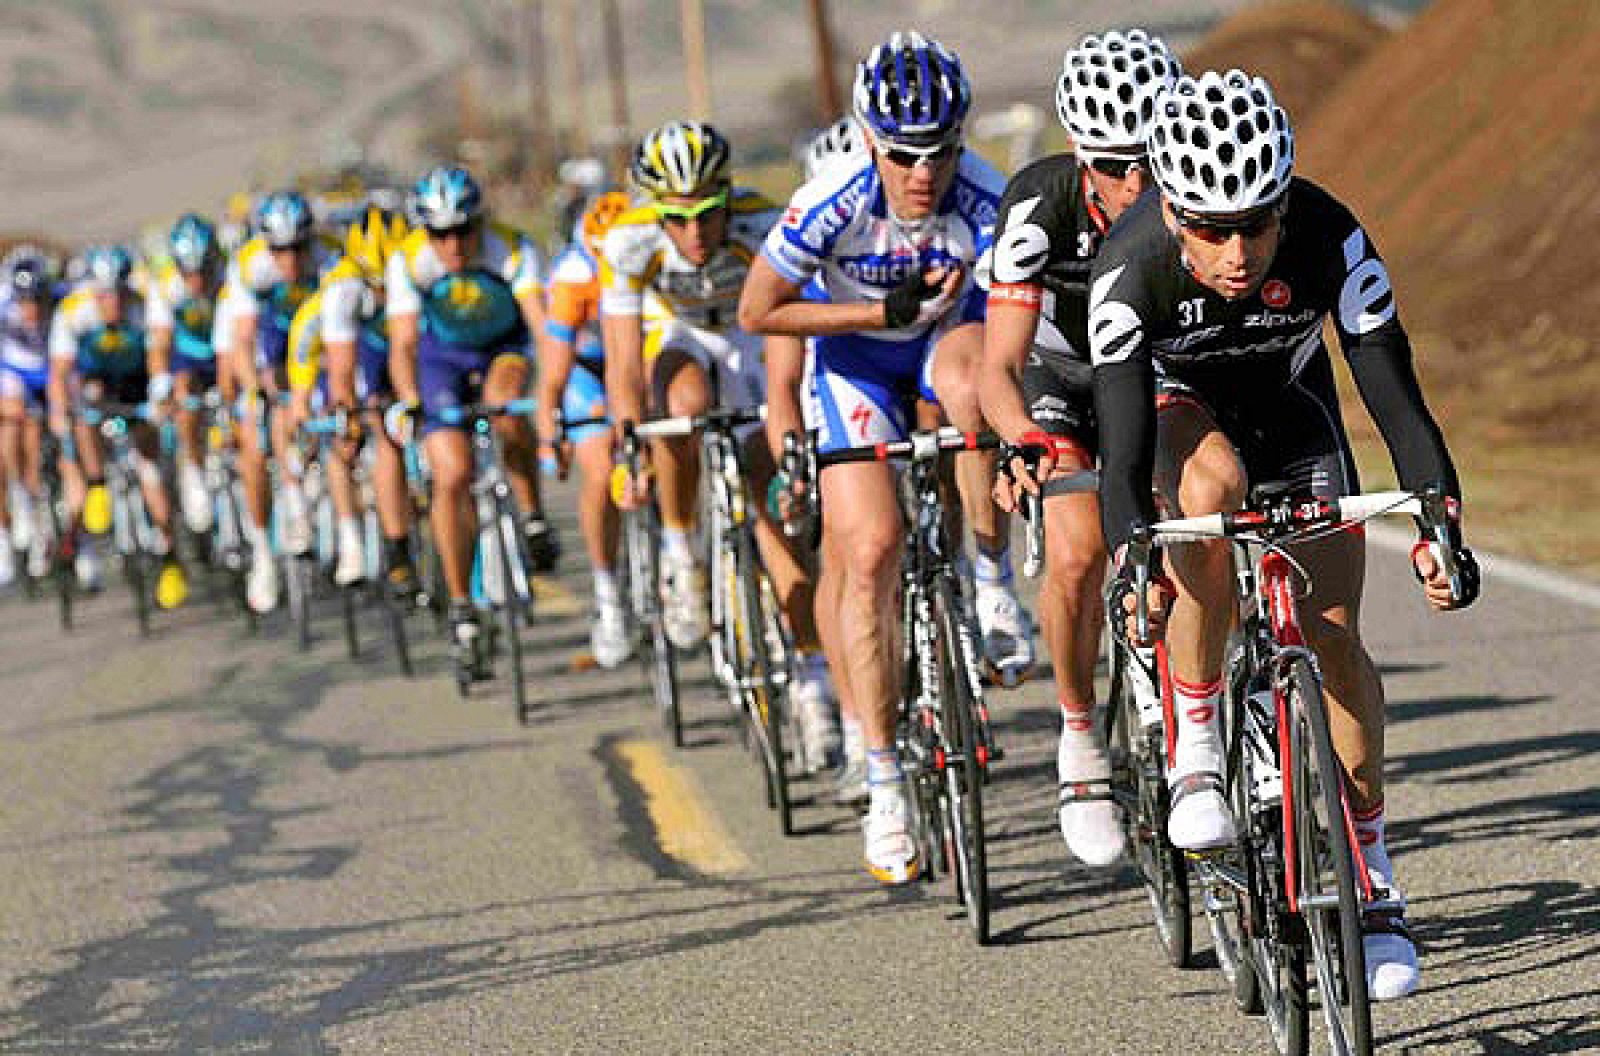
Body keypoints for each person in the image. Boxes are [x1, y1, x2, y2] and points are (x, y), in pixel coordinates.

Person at [1089, 69, 1480, 1000]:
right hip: (1182, 416)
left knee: (1335, 637)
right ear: (1173, 210)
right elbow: (1120, 454)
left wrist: (1440, 524)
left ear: (1284, 202)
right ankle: (1193, 744)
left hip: (1294, 411)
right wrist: (1134, 554)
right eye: (1212, 228)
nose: (1238, 251)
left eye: (1257, 222)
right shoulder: (1128, 266)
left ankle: (1373, 879)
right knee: (1210, 489)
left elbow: (1398, 404)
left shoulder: (1333, 238)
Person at [737, 31, 1022, 884]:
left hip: (945, 345)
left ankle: (994, 584)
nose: (922, 173)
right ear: (870, 141)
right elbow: (758, 311)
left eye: (940, 151)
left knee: (976, 385)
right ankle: (886, 775)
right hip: (857, 362)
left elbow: (1026, 307)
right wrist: (867, 317)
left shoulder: (986, 196)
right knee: (867, 552)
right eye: (903, 154)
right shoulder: (835, 198)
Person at [980, 29, 1180, 867]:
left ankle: (1206, 706)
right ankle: (1079, 742)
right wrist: (1019, 438)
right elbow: (998, 362)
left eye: (1150, 161)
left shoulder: (1192, 200)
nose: (1135, 184)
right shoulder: (1038, 204)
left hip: (1159, 370)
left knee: (1201, 509)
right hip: (1064, 381)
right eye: (1112, 165)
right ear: (1078, 155)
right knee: (1076, 551)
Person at [603, 120, 835, 762]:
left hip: (751, 337)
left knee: (773, 501)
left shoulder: (765, 226)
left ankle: (814, 687)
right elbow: (623, 365)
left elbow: (788, 338)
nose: (695, 233)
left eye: (708, 213)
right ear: (655, 210)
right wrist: (629, 443)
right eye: (677, 219)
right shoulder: (628, 241)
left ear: (728, 196)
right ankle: (681, 551)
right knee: (681, 405)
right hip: (679, 335)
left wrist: (786, 433)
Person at [386, 164, 553, 664]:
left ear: (480, 224)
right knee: (453, 473)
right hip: (441, 359)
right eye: (441, 235)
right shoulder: (409, 262)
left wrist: (550, 396)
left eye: (464, 231)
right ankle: (460, 602)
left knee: (506, 409)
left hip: (503, 347)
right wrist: (410, 402)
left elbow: (542, 328)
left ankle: (532, 512)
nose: (454, 246)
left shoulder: (514, 249)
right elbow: (404, 344)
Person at [222, 189, 343, 613]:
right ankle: (262, 554)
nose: (289, 260)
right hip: (272, 348)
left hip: (319, 342)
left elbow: (342, 334)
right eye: (280, 251)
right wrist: (256, 388)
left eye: (297, 249)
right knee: (254, 446)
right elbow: (242, 339)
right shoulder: (249, 264)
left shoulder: (331, 258)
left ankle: (325, 495)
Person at [285, 204, 416, 593]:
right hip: (324, 353)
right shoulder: (342, 289)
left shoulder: (410, 274)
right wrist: (347, 411)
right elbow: (341, 371)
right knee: (345, 435)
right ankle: (350, 539)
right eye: (377, 286)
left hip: (386, 351)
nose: (384, 292)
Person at [47, 245, 187, 607]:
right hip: (97, 381)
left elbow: (160, 353)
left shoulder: (145, 301)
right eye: (106, 295)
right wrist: (60, 411)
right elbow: (60, 372)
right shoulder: (74, 310)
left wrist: (159, 393)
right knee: (83, 414)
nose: (114, 303)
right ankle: (96, 484)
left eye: (119, 294)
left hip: (137, 379)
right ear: (94, 292)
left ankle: (170, 559)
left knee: (150, 470)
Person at [536, 190, 635, 668]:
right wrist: (548, 433)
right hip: (586, 371)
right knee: (600, 468)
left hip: (636, 360)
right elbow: (553, 373)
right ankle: (608, 591)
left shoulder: (646, 260)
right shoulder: (573, 277)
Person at [146, 213, 227, 538]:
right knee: (183, 390)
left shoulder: (228, 278)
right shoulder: (165, 286)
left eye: (203, 271)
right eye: (188, 272)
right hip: (190, 357)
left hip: (225, 351)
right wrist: (160, 382)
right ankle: (193, 468)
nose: (196, 281)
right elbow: (160, 343)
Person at [0, 250, 56, 585]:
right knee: (11, 426)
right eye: (25, 301)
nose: (31, 308)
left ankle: (37, 495)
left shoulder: (60, 301)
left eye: (37, 299)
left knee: (35, 428)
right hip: (14, 372)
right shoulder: (3, 306)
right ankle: (20, 499)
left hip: (49, 370)